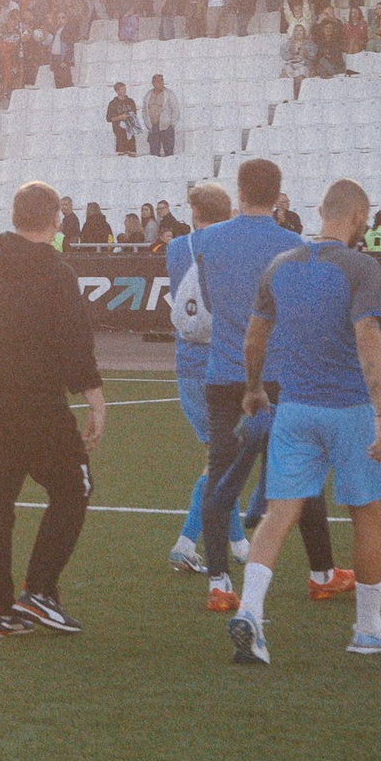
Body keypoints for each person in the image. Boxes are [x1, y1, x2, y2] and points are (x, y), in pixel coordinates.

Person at [227, 179, 381, 664]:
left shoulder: (280, 266)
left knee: (278, 512)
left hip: (294, 409)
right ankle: (369, 628)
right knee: (367, 513)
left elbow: (252, 340)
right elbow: (368, 335)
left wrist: (252, 388)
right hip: (349, 411)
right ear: (357, 217)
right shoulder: (361, 266)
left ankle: (250, 611)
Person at [0, 180, 106, 637]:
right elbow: (75, 343)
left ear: (13, 217)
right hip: (36, 406)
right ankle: (40, 591)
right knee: (74, 489)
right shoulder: (56, 271)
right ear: (54, 221)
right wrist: (94, 398)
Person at [189, 158, 351, 613]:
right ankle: (321, 573)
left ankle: (219, 583)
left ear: (239, 191)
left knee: (220, 476)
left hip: (223, 374)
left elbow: (207, 299)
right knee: (300, 473)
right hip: (282, 376)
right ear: (278, 193)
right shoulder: (295, 245)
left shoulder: (208, 240)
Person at [164, 183, 246, 572]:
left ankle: (239, 541)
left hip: (187, 363)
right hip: (224, 364)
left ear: (195, 211)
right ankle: (185, 540)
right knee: (219, 461)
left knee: (221, 457)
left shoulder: (176, 248)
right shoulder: (230, 246)